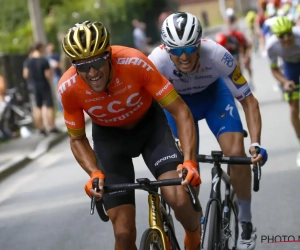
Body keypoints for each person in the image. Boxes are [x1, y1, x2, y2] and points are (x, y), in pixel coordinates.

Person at [59, 20, 202, 250]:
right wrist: (93, 172)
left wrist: (190, 161)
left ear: (109, 55)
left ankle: (193, 236)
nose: (92, 72)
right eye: (83, 66)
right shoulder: (68, 87)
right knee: (124, 234)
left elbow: (181, 111)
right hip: (110, 140)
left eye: (97, 62)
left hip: (150, 128)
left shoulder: (134, 62)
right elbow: (77, 139)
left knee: (178, 199)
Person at [148, 12, 268, 250]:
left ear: (199, 45)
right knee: (185, 167)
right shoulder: (156, 61)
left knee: (237, 154)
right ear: (166, 48)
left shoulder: (217, 54)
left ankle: (245, 220)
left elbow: (249, 101)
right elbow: (149, 109)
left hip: (214, 97)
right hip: (178, 105)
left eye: (189, 49)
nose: (183, 57)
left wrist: (256, 142)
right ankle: (198, 222)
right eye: (176, 50)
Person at [266, 16, 300, 165]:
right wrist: (285, 82)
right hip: (290, 68)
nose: (286, 39)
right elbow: (274, 70)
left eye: (288, 34)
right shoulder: (272, 46)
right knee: (294, 109)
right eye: (281, 36)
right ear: (276, 36)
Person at [23, 42, 60, 135]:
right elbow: (47, 75)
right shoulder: (43, 60)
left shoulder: (28, 61)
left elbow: (25, 74)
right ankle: (52, 127)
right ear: (39, 48)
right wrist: (51, 72)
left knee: (37, 107)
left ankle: (40, 128)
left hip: (34, 86)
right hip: (44, 84)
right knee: (49, 106)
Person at [45, 42, 63, 112]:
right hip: (56, 76)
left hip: (61, 75)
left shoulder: (57, 55)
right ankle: (61, 109)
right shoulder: (48, 58)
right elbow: (56, 65)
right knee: (59, 94)